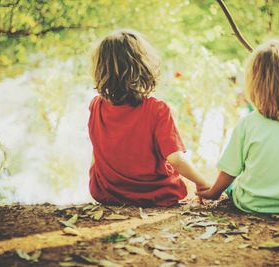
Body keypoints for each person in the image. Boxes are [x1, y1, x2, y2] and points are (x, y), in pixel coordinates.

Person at [196, 40, 279, 213]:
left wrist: (214, 192)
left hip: (250, 203)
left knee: (234, 182)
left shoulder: (247, 123)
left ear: (254, 83)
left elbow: (229, 172)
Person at [88, 29, 209, 206]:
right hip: (154, 194)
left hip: (107, 193)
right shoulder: (158, 109)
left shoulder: (96, 105)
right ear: (143, 66)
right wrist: (203, 182)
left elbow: (96, 152)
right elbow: (175, 158)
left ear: (100, 70)